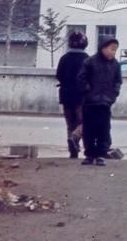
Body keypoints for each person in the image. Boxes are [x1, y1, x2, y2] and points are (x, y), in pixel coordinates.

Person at [77, 37, 122, 166]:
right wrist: (87, 92)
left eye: (115, 50)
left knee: (104, 130)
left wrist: (113, 94)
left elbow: (118, 81)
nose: (113, 52)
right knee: (89, 130)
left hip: (105, 103)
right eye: (111, 49)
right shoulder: (90, 62)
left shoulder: (115, 65)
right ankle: (89, 154)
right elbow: (81, 78)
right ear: (103, 48)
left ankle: (101, 155)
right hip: (90, 102)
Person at [55, 31, 89, 159]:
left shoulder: (64, 58)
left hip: (66, 95)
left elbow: (59, 75)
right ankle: (75, 138)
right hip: (82, 97)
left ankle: (72, 151)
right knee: (84, 122)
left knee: (70, 124)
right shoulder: (87, 59)